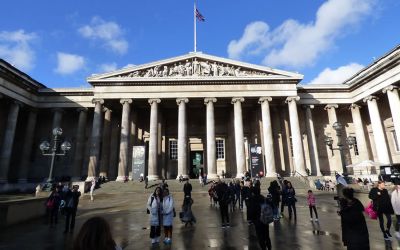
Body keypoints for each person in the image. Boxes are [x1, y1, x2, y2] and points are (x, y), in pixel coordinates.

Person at [252, 186, 272, 250]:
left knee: (260, 236)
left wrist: (252, 220)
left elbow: (251, 211)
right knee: (266, 235)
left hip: (257, 220)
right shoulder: (263, 198)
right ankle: (269, 247)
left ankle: (263, 248)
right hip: (265, 219)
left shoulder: (253, 199)